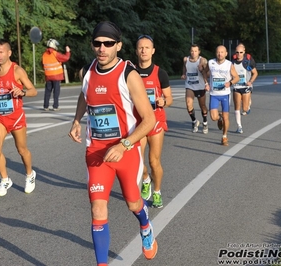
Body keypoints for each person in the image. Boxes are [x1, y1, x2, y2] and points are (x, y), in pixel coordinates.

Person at [69, 22, 158, 265]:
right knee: (98, 211)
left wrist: (124, 145)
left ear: (118, 46)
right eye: (97, 43)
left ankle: (145, 225)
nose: (102, 48)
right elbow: (84, 94)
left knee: (133, 203)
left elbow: (149, 120)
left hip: (125, 151)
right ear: (92, 45)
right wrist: (77, 119)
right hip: (97, 151)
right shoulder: (87, 72)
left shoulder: (128, 75)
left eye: (108, 43)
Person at [0, 39, 38, 197]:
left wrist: (22, 92)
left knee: (22, 150)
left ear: (9, 53)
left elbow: (33, 90)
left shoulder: (17, 71)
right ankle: (5, 179)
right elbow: (0, 94)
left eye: (1, 52)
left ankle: (29, 175)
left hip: (16, 118)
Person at [135, 35, 173, 209]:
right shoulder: (131, 72)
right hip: (139, 122)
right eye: (141, 47)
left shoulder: (160, 73)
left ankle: (157, 192)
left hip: (156, 122)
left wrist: (163, 102)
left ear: (153, 51)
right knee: (137, 159)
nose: (144, 50)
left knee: (153, 161)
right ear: (137, 50)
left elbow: (169, 98)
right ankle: (145, 178)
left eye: (147, 47)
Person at [204, 45, 239, 146]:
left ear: (226, 53)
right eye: (218, 52)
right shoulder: (211, 63)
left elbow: (236, 77)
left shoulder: (229, 65)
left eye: (222, 52)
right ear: (216, 53)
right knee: (213, 117)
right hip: (214, 94)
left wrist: (230, 83)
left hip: (225, 94)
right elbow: (204, 73)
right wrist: (206, 83)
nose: (220, 54)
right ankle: (219, 118)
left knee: (226, 117)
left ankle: (224, 137)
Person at [181, 44, 209, 134]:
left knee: (202, 106)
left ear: (199, 52)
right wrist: (184, 74)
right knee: (189, 104)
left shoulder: (202, 60)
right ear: (190, 51)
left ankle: (205, 122)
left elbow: (208, 73)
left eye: (196, 51)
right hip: (190, 85)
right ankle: (194, 121)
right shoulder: (186, 59)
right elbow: (185, 68)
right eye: (192, 51)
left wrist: (202, 70)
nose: (194, 53)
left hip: (200, 86)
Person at [231, 44, 258, 133]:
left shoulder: (247, 62)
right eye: (237, 52)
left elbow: (255, 73)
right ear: (235, 52)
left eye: (241, 52)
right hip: (236, 87)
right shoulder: (232, 62)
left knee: (245, 109)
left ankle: (248, 103)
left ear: (244, 52)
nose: (239, 54)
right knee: (237, 107)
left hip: (246, 86)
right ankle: (239, 126)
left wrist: (250, 82)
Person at [42, 39, 71, 111]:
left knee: (47, 91)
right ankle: (55, 106)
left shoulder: (44, 54)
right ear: (53, 45)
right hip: (56, 76)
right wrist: (68, 52)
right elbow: (66, 58)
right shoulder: (55, 53)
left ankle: (46, 106)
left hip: (48, 76)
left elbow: (42, 64)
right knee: (56, 91)